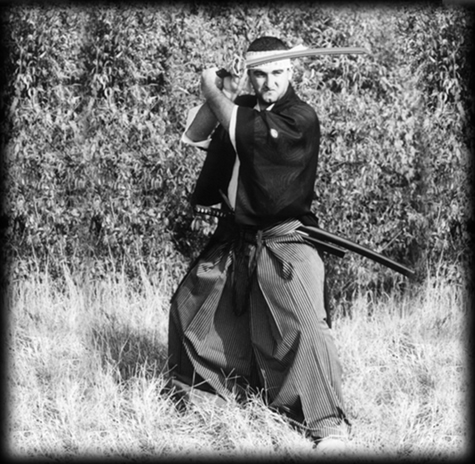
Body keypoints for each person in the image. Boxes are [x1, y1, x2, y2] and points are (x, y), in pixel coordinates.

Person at [167, 36, 350, 453]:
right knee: (190, 308)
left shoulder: (300, 118)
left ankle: (327, 426)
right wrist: (223, 93)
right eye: (260, 74)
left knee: (304, 324)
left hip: (284, 236)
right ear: (250, 74)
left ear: (292, 71)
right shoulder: (244, 107)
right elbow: (195, 134)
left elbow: (240, 128)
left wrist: (212, 90)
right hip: (236, 236)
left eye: (277, 73)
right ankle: (212, 400)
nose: (269, 83)